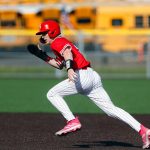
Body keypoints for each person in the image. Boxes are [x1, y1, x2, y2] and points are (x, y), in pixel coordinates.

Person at [27, 20, 150, 149]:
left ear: (52, 31)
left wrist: (69, 69)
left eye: (44, 33)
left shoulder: (57, 42)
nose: (42, 36)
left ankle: (72, 120)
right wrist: (41, 55)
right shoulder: (59, 42)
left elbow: (68, 54)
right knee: (111, 109)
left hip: (82, 76)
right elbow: (59, 65)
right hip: (92, 76)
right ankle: (143, 130)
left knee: (52, 94)